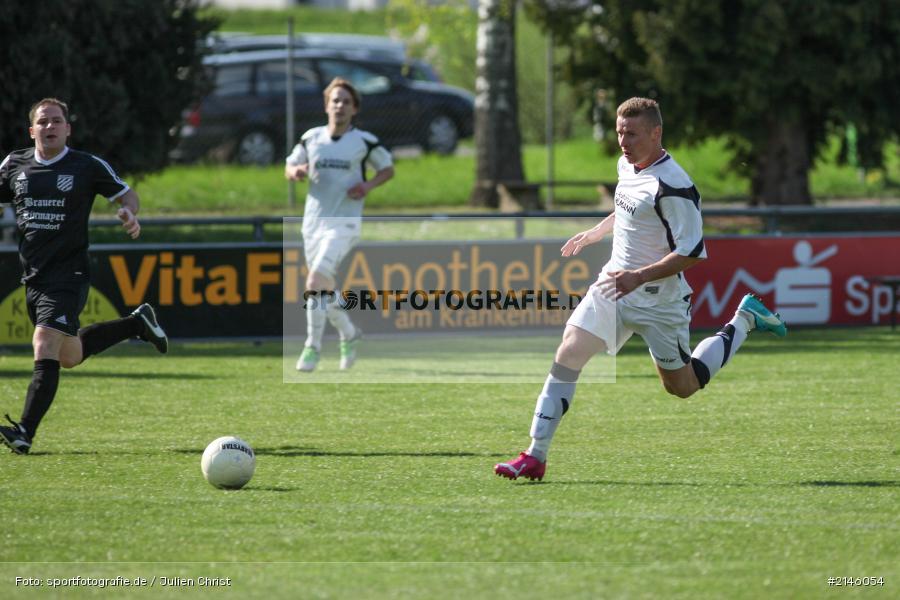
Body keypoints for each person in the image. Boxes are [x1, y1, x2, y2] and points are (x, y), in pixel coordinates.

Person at [494, 97, 787, 481]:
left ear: (656, 132)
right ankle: (534, 455)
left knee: (682, 386)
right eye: (619, 132)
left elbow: (693, 254)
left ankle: (745, 320)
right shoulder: (627, 165)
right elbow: (631, 206)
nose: (623, 141)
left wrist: (640, 276)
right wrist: (597, 231)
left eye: (631, 133)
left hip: (659, 300)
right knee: (568, 352)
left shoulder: (675, 186)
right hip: (612, 285)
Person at [0, 98, 168, 455]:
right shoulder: (14, 164)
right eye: (43, 122)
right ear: (32, 130)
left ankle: (25, 431)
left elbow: (128, 195)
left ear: (67, 129)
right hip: (34, 276)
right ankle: (137, 325)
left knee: (43, 343)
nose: (50, 127)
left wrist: (128, 213)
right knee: (69, 355)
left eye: (57, 121)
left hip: (69, 274)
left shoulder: (85, 166)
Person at [285, 77, 394, 372]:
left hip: (343, 225)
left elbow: (388, 168)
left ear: (354, 109)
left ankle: (312, 348)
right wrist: (296, 171)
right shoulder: (311, 138)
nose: (340, 106)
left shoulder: (364, 142)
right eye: (335, 100)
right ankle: (348, 332)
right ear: (326, 105)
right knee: (324, 288)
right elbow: (290, 165)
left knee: (313, 282)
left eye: (346, 101)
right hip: (313, 224)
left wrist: (367, 186)